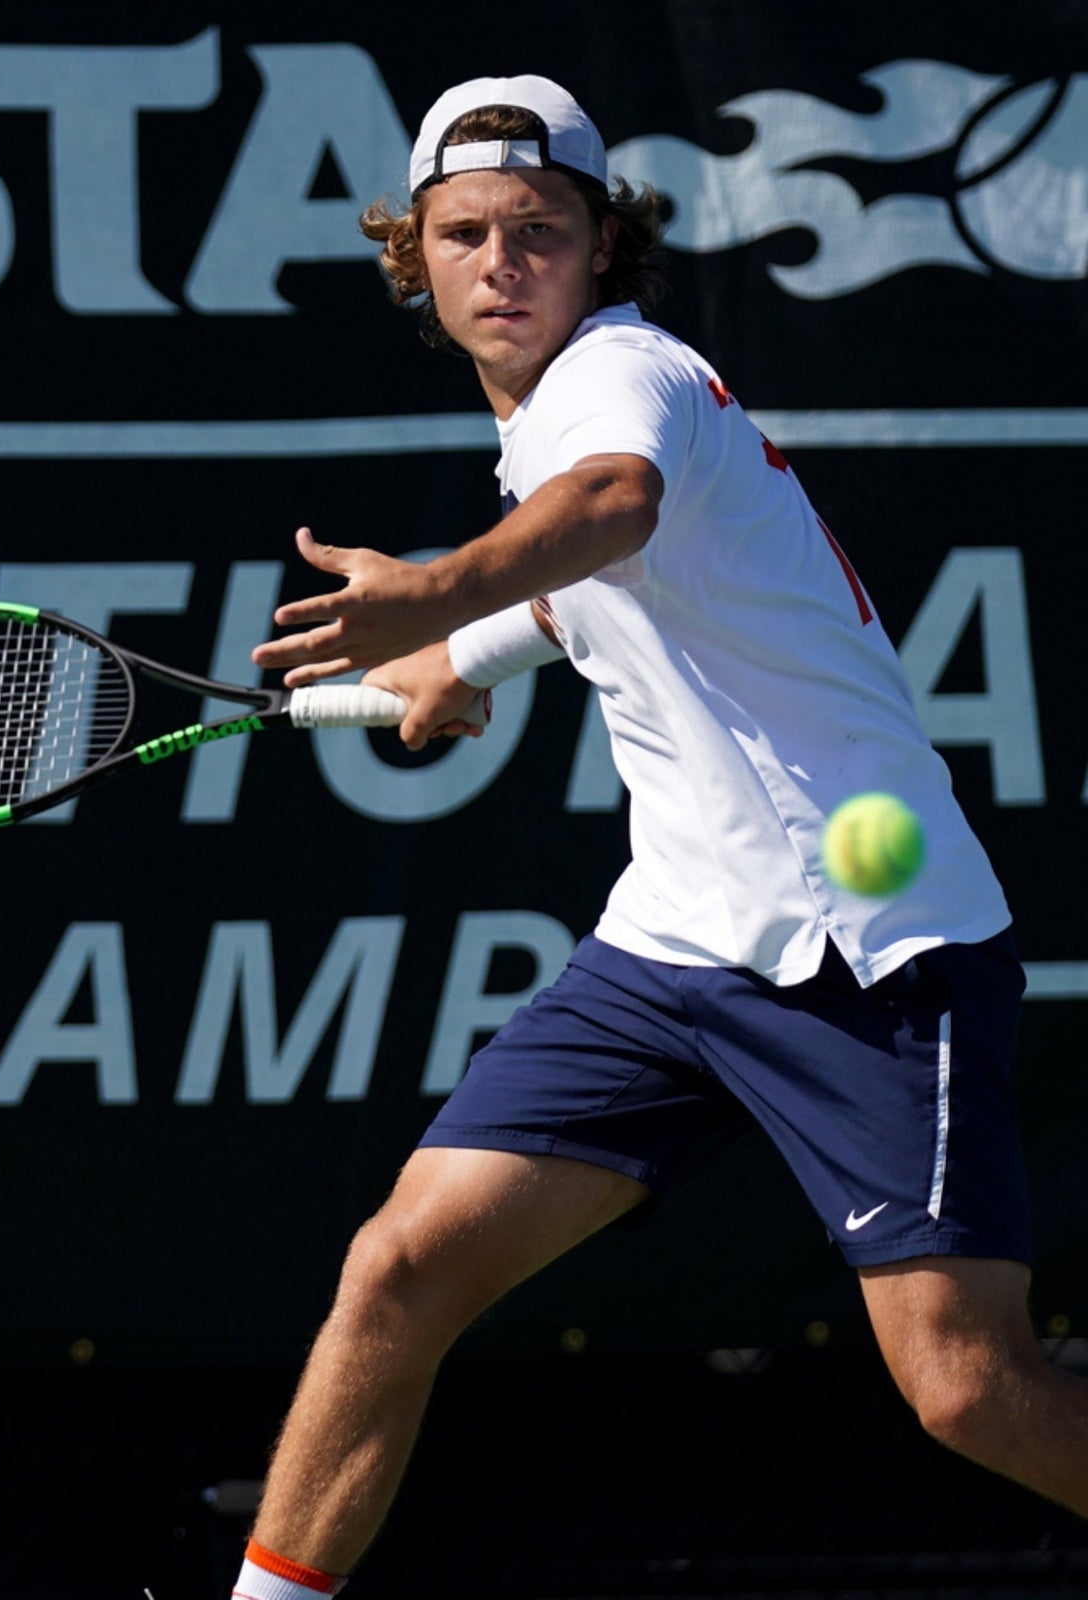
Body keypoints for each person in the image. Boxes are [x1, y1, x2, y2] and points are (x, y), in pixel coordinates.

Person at [228, 74, 1088, 1600]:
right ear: (414, 258)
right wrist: (464, 659)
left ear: (602, 249)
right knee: (401, 1267)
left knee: (971, 1390)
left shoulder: (621, 383)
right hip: (677, 943)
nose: (504, 261)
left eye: (541, 231)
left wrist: (433, 595)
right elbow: (614, 578)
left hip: (863, 943)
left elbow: (614, 505)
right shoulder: (553, 413)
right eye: (467, 233)